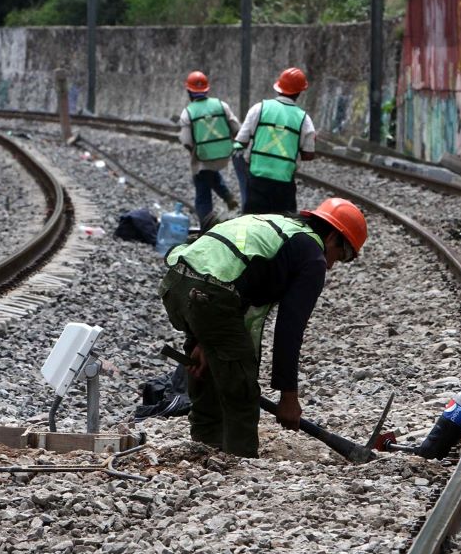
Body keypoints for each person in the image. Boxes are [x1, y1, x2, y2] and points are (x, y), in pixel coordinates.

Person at [157, 197, 368, 458]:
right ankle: (239, 460)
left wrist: (204, 339)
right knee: (241, 388)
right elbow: (289, 330)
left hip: (177, 283)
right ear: (333, 236)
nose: (332, 264)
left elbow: (233, 280)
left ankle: (205, 449)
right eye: (342, 255)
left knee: (207, 370)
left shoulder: (280, 229)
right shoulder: (312, 255)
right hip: (211, 294)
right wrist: (288, 397)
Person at [235, 67, 317, 214]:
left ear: (278, 88)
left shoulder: (259, 109)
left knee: (252, 222)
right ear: (299, 93)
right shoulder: (304, 119)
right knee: (283, 226)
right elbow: (308, 154)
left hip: (257, 179)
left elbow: (241, 141)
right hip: (284, 183)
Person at [177, 71, 241, 224]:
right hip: (224, 155)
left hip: (203, 157)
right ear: (206, 89)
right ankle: (227, 196)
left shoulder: (188, 112)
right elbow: (237, 128)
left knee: (202, 194)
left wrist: (196, 151)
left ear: (189, 92)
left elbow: (186, 140)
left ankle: (207, 227)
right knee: (210, 172)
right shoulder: (221, 105)